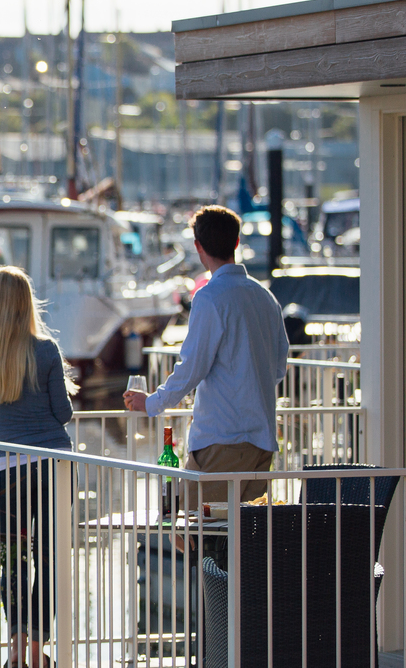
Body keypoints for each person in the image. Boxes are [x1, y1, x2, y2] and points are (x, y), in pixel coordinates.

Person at [124, 205, 289, 504]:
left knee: (193, 533)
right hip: (262, 440)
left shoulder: (210, 297)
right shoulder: (266, 297)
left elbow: (192, 368)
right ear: (237, 242)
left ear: (198, 246)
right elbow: (279, 367)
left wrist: (151, 403)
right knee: (245, 539)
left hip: (222, 440)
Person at [0, 265, 76, 668]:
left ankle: (13, 650)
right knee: (51, 558)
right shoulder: (45, 349)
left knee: (10, 559)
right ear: (26, 302)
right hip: (55, 465)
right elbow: (64, 412)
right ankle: (37, 647)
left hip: (9, 467)